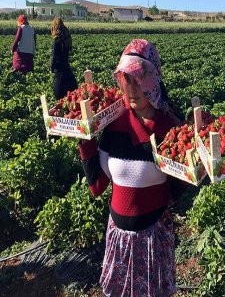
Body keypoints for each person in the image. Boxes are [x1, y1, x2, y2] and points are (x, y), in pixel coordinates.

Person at [78, 39, 181, 296]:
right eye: (126, 81)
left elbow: (178, 192)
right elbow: (97, 186)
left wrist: (194, 160)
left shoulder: (169, 127)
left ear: (152, 80)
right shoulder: (113, 121)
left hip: (152, 240)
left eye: (138, 80)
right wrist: (84, 136)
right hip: (119, 238)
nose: (131, 90)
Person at [50, 18, 78, 99]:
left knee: (58, 94)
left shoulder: (57, 40)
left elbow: (54, 56)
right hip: (66, 67)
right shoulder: (66, 38)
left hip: (59, 69)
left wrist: (51, 67)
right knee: (71, 90)